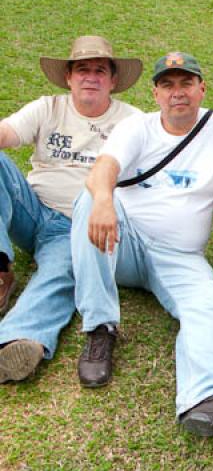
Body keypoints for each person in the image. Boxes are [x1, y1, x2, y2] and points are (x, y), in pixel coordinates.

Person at [70, 52, 213, 443]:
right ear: (156, 93)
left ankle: (208, 398)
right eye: (168, 84)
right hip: (123, 242)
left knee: (208, 304)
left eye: (186, 83)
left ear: (202, 88)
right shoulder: (138, 127)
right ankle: (100, 328)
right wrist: (102, 200)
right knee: (87, 200)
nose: (177, 92)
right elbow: (105, 169)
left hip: (180, 256)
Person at [0, 36, 141, 383]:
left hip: (80, 224)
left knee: (59, 272)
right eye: (82, 69)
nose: (90, 77)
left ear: (112, 81)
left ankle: (19, 339)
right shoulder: (48, 107)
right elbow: (6, 132)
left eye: (99, 70)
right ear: (68, 77)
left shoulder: (132, 121)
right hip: (33, 210)